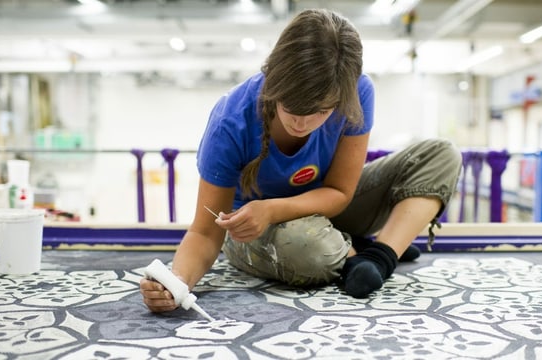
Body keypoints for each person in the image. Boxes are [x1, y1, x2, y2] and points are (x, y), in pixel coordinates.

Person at [140, 8, 462, 311]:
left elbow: (340, 193)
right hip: (256, 230)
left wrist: (273, 208)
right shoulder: (230, 120)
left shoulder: (358, 91)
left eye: (321, 112)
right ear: (274, 80)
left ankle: (378, 256)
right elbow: (205, 232)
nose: (302, 124)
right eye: (293, 108)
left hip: (328, 206)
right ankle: (354, 251)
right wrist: (176, 283)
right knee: (306, 248)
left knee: (441, 155)